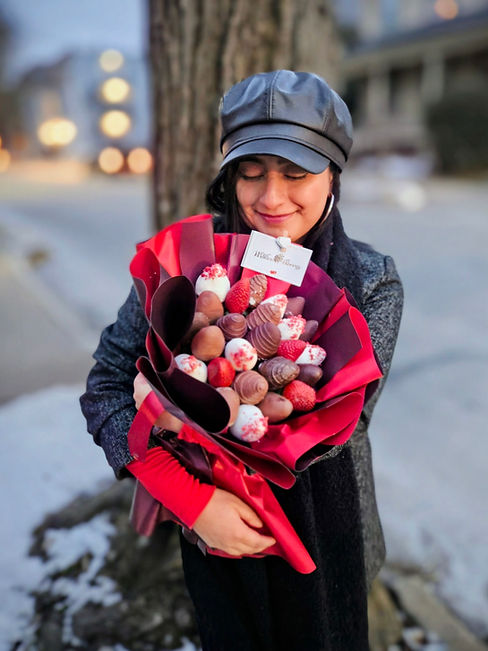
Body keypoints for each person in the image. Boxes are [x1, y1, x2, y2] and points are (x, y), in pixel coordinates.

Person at [80, 70, 403, 650]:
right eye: (251, 173)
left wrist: (209, 422)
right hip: (215, 543)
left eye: (297, 174)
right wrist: (189, 495)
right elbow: (106, 387)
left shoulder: (372, 282)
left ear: (334, 174)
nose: (270, 198)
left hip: (333, 538)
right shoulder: (183, 267)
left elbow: (341, 425)